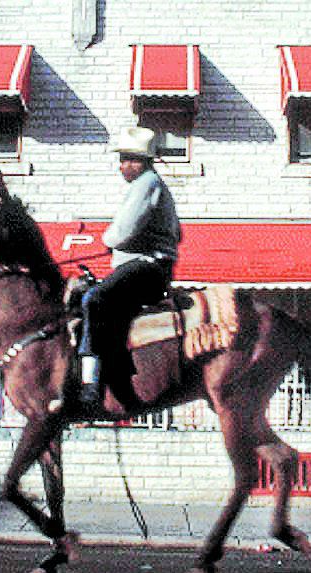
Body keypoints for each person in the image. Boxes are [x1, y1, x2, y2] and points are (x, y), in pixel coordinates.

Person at [75, 126, 182, 412]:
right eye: (122, 160)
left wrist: (107, 240)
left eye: (127, 159)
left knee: (94, 300)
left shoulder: (146, 184)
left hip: (149, 267)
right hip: (148, 265)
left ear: (141, 161)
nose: (122, 166)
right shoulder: (153, 184)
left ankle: (90, 386)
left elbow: (122, 232)